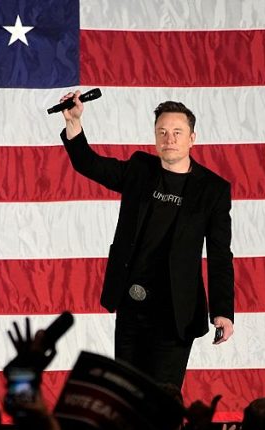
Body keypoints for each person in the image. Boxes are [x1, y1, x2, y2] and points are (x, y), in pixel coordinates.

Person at [59, 91, 235, 388]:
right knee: (125, 394)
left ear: (193, 138)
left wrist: (222, 311)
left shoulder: (213, 189)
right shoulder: (140, 169)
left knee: (162, 400)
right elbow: (90, 165)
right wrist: (74, 123)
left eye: (177, 132)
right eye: (162, 132)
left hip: (176, 313)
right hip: (132, 305)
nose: (169, 139)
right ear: (155, 136)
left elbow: (220, 254)